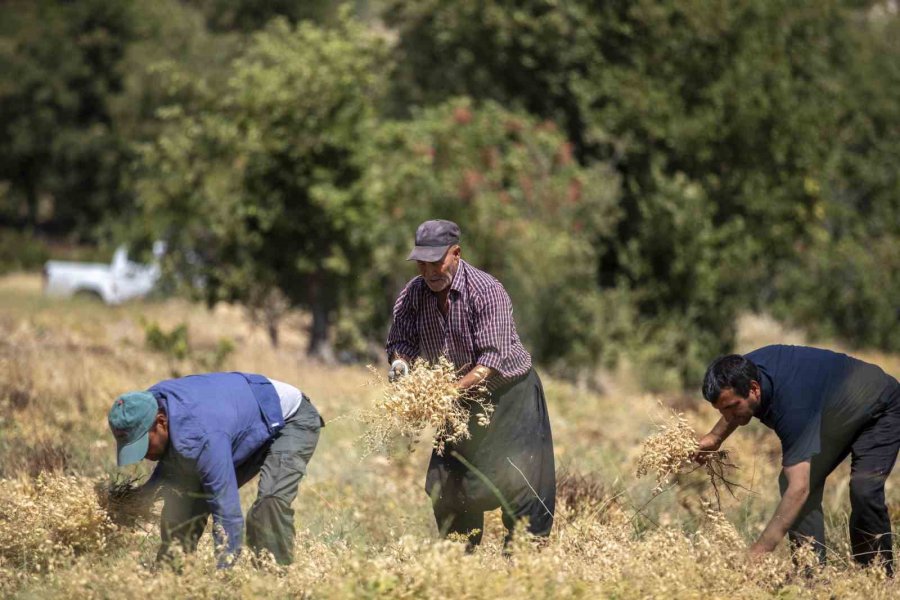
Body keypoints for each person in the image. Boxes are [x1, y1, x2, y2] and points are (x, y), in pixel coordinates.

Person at [386, 219, 556, 548]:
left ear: (456, 253)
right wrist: (400, 364)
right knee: (447, 486)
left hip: (508, 396)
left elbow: (491, 361)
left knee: (521, 485)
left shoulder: (487, 291)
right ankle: (459, 561)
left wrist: (446, 392)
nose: (429, 271)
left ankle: (524, 563)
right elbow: (401, 341)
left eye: (436, 262)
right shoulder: (413, 294)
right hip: (457, 400)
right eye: (422, 263)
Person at [698, 345, 900, 573]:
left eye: (732, 407)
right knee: (791, 483)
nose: (727, 417)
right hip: (831, 413)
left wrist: (760, 551)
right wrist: (715, 438)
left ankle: (876, 573)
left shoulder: (792, 405)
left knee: (863, 489)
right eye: (721, 410)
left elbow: (799, 489)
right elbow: (734, 402)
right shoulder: (741, 371)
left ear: (754, 389)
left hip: (879, 408)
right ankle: (811, 575)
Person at [107, 372, 324, 567]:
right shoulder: (147, 405)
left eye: (144, 445)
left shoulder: (202, 435)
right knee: (184, 502)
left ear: (161, 422)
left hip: (290, 419)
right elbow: (172, 469)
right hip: (240, 419)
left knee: (270, 503)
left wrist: (225, 576)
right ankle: (170, 578)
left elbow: (227, 512)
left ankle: (276, 580)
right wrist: (134, 501)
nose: (144, 455)